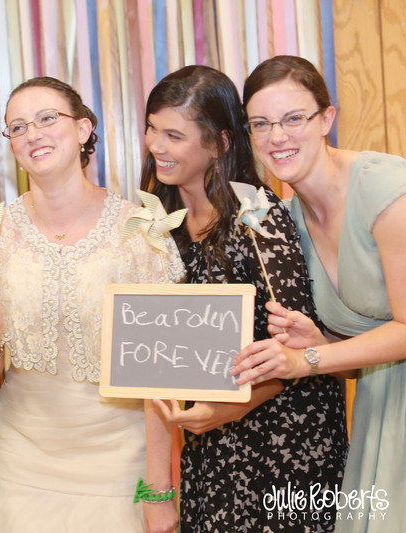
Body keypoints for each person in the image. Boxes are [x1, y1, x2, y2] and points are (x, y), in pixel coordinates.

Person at [0, 76, 184, 533]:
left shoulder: (140, 233)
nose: (32, 134)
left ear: (83, 129)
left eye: (46, 119)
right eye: (17, 127)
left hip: (120, 460)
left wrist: (157, 490)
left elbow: (162, 377)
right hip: (22, 462)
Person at [141, 65, 347, 532]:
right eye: (152, 128)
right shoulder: (157, 229)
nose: (156, 145)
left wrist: (228, 409)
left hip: (287, 445)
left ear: (220, 143)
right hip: (210, 447)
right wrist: (156, 489)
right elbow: (152, 364)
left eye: (174, 134)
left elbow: (300, 350)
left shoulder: (257, 218)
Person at [233, 55, 406, 532]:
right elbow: (356, 362)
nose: (278, 137)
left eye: (294, 119)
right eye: (261, 124)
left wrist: (304, 362)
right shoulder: (287, 223)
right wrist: (319, 343)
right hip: (380, 408)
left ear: (327, 118)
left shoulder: (389, 191)